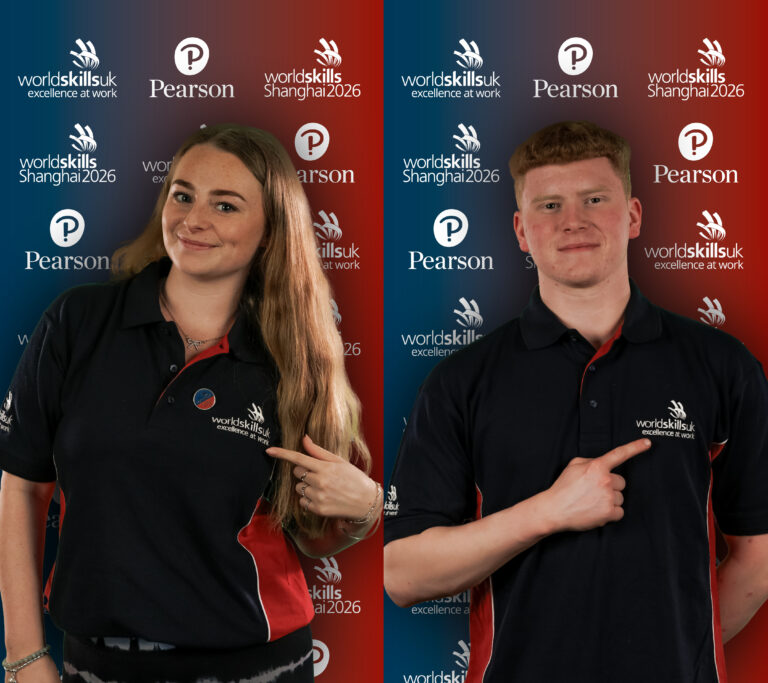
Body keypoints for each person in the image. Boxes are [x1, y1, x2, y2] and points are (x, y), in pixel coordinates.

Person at [384, 121, 768, 683]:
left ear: (633, 215)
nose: (572, 221)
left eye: (594, 199)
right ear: (520, 230)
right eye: (549, 205)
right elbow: (403, 573)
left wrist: (677, 657)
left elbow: (756, 558)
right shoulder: (460, 380)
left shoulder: (722, 365)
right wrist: (548, 512)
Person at [0, 123, 381, 683]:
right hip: (98, 662)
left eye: (225, 205)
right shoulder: (78, 322)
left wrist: (365, 508)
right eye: (183, 195)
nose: (194, 219)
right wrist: (25, 655)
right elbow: (23, 487)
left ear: (271, 231)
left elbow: (316, 531)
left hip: (256, 666)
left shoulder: (296, 357)